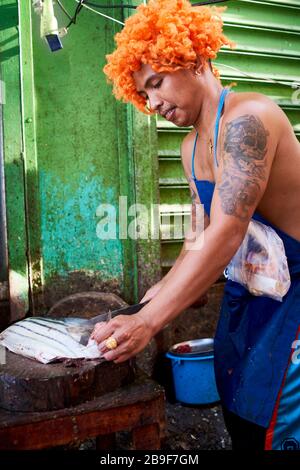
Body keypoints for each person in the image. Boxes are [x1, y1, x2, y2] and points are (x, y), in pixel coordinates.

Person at [91, 0, 300, 450]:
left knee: (275, 426)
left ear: (195, 58)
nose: (153, 103)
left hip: (295, 301)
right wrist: (163, 290)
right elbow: (199, 235)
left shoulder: (249, 119)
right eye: (143, 94)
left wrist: (149, 322)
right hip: (249, 296)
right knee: (236, 409)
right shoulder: (190, 148)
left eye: (157, 83)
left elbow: (226, 230)